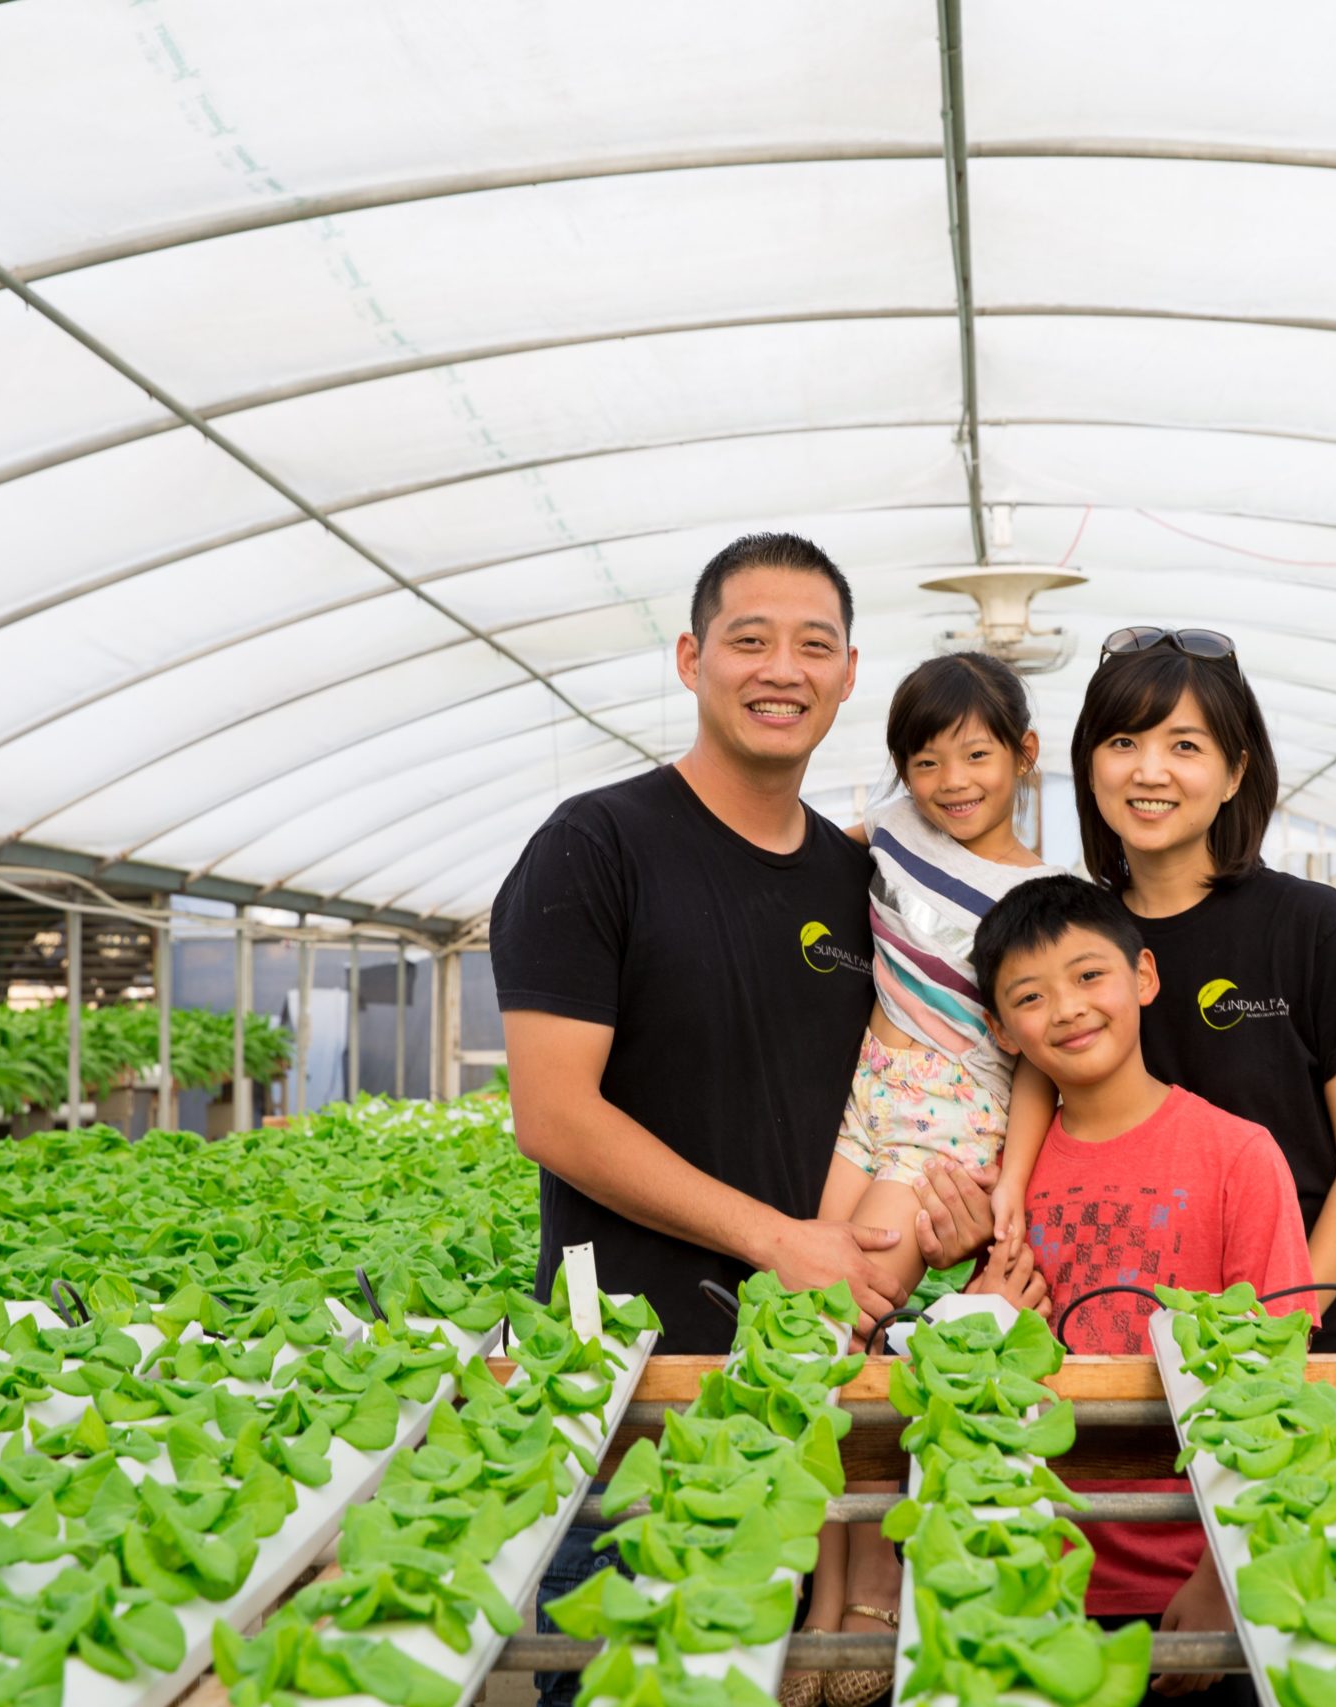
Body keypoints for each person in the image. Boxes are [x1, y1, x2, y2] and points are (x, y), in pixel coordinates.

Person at [492, 533, 900, 1707]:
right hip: (634, 1396)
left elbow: (894, 1108)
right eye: (750, 639)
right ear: (691, 657)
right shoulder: (597, 845)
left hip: (816, 1396)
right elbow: (554, 1117)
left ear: (848, 672)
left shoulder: (852, 884)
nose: (783, 669)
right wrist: (781, 1243)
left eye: (813, 645)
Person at [793, 652, 1063, 1707]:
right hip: (866, 1096)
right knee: (807, 1318)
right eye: (926, 758)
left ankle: (874, 1588)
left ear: (1023, 754)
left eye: (977, 754)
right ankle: (828, 1589)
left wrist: (1012, 1188)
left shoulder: (1050, 895)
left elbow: (1039, 1059)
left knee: (856, 1305)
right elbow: (817, 869)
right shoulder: (891, 832)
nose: (952, 778)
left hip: (952, 1120)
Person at [971, 875, 1312, 1703]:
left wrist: (1218, 1573)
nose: (1068, 1007)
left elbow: (1277, 1385)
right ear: (1000, 1029)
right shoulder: (999, 1183)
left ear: (1144, 978)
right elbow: (960, 1382)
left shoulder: (1238, 1155)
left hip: (1196, 1584)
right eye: (1030, 994)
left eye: (1091, 975)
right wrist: (984, 1312)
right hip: (1034, 1584)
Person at [1070, 628, 1336, 1355]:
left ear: (1234, 772)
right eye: (1123, 742)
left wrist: (1281, 1319)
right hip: (1120, 1338)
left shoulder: (1310, 925)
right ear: (1089, 766)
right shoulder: (1072, 940)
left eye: (1185, 746)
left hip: (1305, 1341)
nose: (1149, 771)